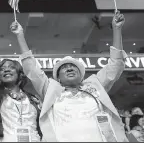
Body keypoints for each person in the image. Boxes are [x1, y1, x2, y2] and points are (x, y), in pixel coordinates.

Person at [12, 11, 128, 141]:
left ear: (81, 76)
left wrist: (117, 29)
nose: (70, 68)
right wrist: (19, 35)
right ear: (58, 78)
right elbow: (31, 68)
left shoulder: (95, 85)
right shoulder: (50, 89)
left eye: (73, 67)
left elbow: (116, 65)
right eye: (64, 67)